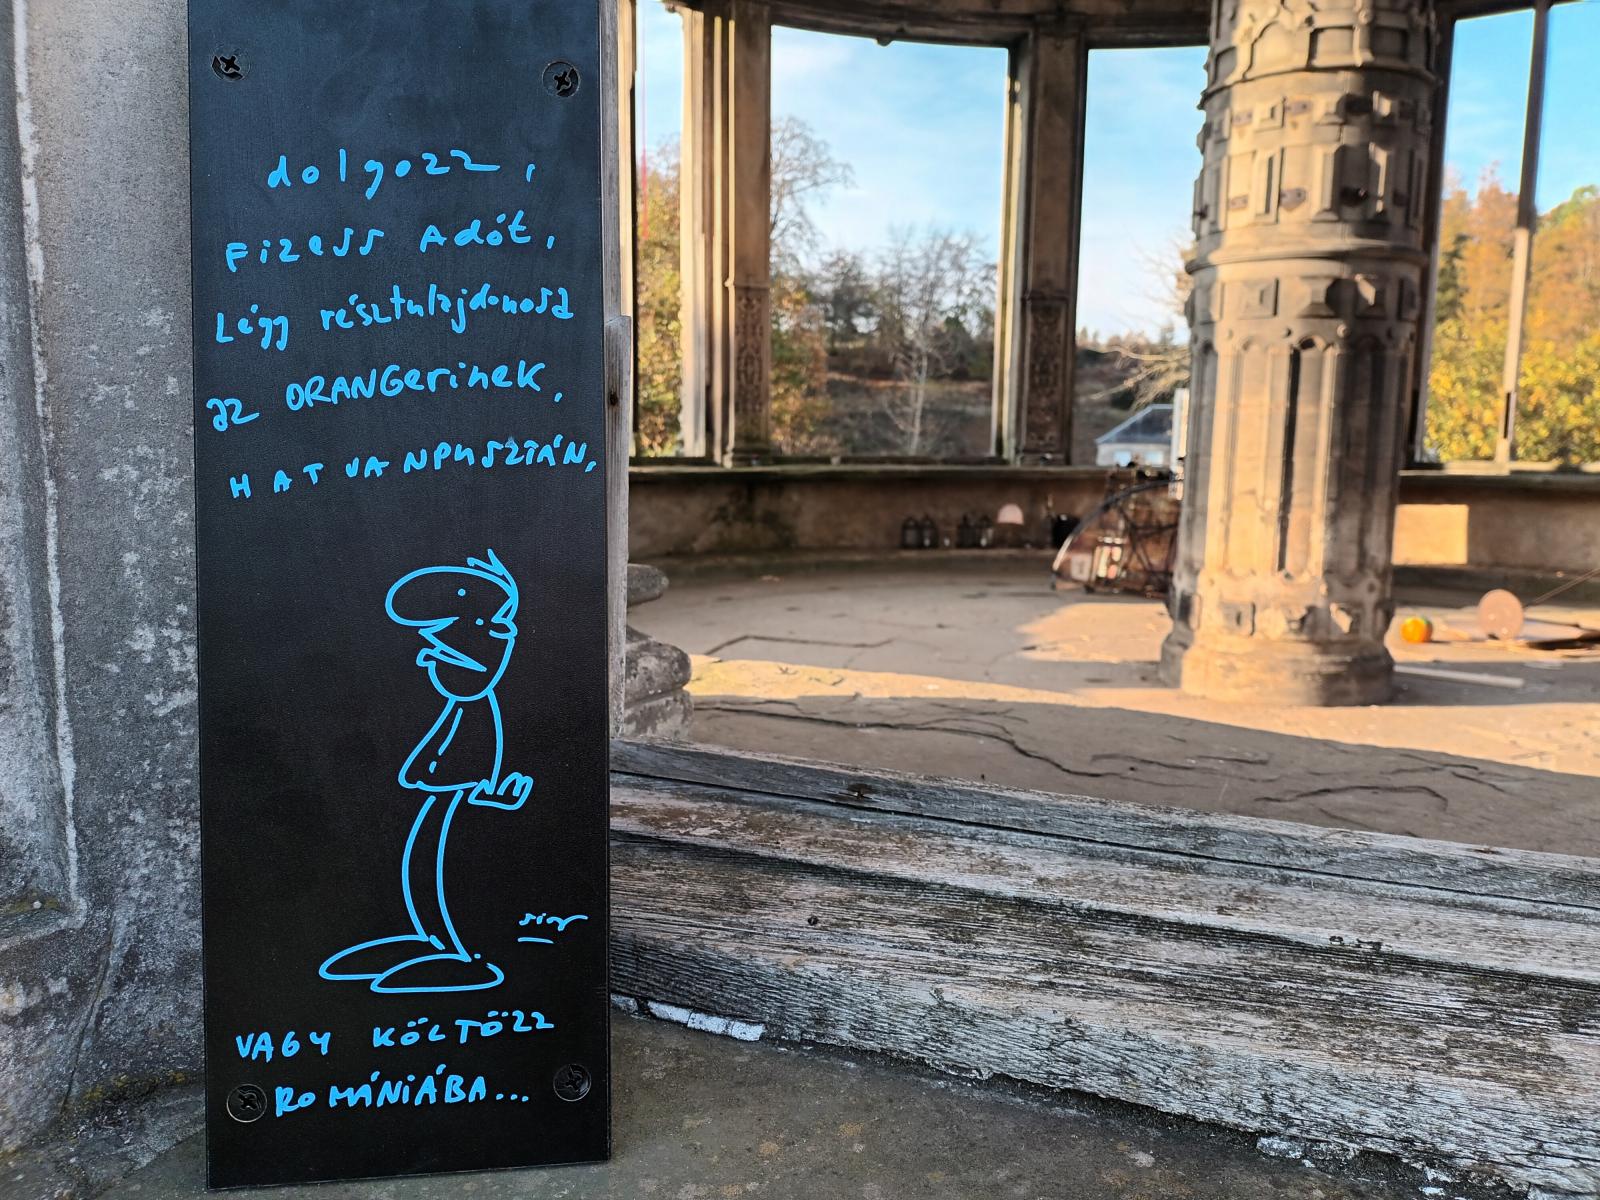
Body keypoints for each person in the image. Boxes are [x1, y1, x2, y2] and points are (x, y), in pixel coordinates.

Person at [319, 548, 531, 993]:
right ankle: (432, 938)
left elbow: (471, 682)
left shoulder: (478, 694)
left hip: (463, 795)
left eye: (439, 643)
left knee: (444, 860)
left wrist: (445, 657)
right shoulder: (465, 697)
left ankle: (465, 955)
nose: (428, 655)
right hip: (449, 793)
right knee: (422, 859)